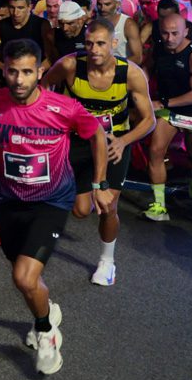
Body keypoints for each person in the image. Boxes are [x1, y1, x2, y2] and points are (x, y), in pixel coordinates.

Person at [0, 39, 111, 375]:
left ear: (40, 71)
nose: (19, 80)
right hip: (7, 199)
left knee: (23, 277)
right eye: (12, 72)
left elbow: (97, 135)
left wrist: (100, 183)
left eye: (27, 72)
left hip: (52, 200)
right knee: (27, 279)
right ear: (4, 70)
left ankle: (46, 333)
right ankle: (48, 310)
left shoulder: (63, 108)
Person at [41, 19, 155, 284]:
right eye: (90, 43)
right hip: (79, 141)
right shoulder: (70, 65)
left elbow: (149, 120)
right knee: (81, 211)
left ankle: (107, 262)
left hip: (115, 144)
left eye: (101, 43)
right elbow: (43, 90)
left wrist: (124, 141)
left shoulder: (131, 73)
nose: (94, 49)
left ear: (114, 44)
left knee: (107, 206)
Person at [143, 13, 192, 218]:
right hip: (170, 108)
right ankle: (159, 206)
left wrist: (162, 103)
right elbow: (146, 69)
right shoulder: (158, 48)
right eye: (165, 33)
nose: (169, 38)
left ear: (186, 32)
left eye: (175, 33)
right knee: (156, 150)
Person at [0, 0, 56, 78]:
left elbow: (52, 55)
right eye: (12, 8)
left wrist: (36, 72)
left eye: (20, 8)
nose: (16, 13)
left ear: (29, 7)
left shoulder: (42, 25)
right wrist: (5, 68)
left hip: (36, 78)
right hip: (10, 77)